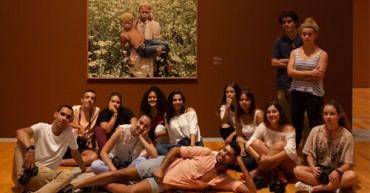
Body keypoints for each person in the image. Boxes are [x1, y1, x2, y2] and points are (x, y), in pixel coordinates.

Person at [71, 141, 257, 193]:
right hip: (161, 164)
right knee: (120, 174)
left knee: (132, 192)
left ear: (232, 160)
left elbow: (252, 191)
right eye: (223, 150)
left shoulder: (224, 180)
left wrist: (241, 163)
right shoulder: (206, 152)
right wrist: (160, 169)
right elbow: (175, 150)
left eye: (227, 155)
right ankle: (76, 186)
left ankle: (99, 184)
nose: (222, 154)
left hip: (167, 183)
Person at [12, 105, 87, 193]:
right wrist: (30, 150)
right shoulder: (42, 127)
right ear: (55, 114)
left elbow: (75, 153)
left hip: (43, 176)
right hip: (28, 170)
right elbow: (20, 132)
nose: (64, 118)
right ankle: (23, 179)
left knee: (68, 174)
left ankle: (28, 190)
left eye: (68, 117)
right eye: (62, 114)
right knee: (20, 141)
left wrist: (84, 169)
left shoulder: (69, 132)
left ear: (70, 121)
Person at [293, 101, 357, 192]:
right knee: (297, 170)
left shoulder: (347, 136)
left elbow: (349, 162)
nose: (328, 117)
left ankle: (314, 188)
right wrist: (312, 168)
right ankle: (333, 188)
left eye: (332, 114)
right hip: (319, 172)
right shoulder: (315, 130)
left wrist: (338, 172)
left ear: (339, 116)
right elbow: (309, 153)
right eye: (325, 114)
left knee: (352, 176)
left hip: (337, 173)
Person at [287, 17, 328, 149]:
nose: (306, 37)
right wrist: (311, 72)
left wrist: (298, 74)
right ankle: (293, 153)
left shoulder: (322, 54)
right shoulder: (294, 52)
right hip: (296, 93)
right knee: (296, 125)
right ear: (301, 35)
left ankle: (313, 154)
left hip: (314, 94)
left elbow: (318, 78)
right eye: (304, 34)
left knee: (314, 125)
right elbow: (290, 73)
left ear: (315, 35)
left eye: (310, 34)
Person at [245, 101, 297, 182]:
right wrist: (258, 158)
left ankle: (258, 171)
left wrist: (269, 159)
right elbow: (248, 144)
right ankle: (276, 172)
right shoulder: (263, 126)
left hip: (288, 166)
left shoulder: (289, 129)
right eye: (268, 112)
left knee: (280, 145)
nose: (271, 114)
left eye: (274, 111)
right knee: (255, 142)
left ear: (280, 113)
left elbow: (292, 152)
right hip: (269, 163)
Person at [91, 114, 158, 174]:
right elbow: (103, 153)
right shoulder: (122, 130)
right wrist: (114, 171)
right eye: (141, 123)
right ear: (137, 121)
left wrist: (141, 138)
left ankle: (119, 176)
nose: (141, 127)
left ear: (149, 129)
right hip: (113, 163)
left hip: (129, 166)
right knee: (95, 165)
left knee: (143, 160)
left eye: (146, 126)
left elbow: (154, 155)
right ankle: (124, 176)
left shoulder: (145, 137)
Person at [271, 10, 302, 124]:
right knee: (287, 117)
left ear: (295, 23)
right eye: (284, 22)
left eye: (289, 21)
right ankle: (292, 141)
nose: (286, 24)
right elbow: (274, 62)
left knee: (302, 117)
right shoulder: (279, 41)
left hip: (299, 84)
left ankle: (305, 142)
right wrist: (293, 61)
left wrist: (284, 60)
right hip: (282, 84)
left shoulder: (302, 39)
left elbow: (303, 62)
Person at [156, 90, 203, 155]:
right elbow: (168, 131)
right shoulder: (167, 115)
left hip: (193, 142)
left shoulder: (190, 111)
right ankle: (179, 157)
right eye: (174, 100)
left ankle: (176, 157)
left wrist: (192, 147)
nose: (178, 102)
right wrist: (154, 135)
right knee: (160, 148)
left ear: (183, 101)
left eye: (180, 100)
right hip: (179, 145)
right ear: (171, 102)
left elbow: (193, 130)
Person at [61, 90, 99, 166]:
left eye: (92, 98)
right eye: (87, 97)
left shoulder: (96, 111)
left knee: (94, 157)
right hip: (69, 140)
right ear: (82, 100)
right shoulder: (74, 109)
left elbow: (95, 130)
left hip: (82, 144)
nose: (89, 100)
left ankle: (61, 162)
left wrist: (86, 138)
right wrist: (79, 127)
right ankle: (72, 160)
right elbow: (64, 122)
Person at [234, 89, 264, 171]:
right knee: (232, 159)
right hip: (246, 144)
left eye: (247, 100)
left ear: (251, 101)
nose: (244, 102)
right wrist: (241, 147)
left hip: (258, 146)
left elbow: (263, 138)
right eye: (241, 100)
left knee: (245, 164)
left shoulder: (258, 114)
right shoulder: (238, 115)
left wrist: (245, 143)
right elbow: (239, 137)